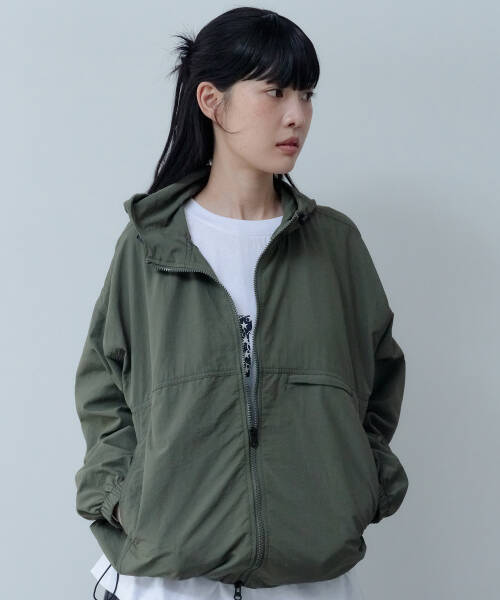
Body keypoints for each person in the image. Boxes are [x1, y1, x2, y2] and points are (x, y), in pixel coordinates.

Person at [74, 7, 409, 600]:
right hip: (165, 580)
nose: (297, 115)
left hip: (305, 578)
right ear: (212, 100)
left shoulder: (335, 245)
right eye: (275, 91)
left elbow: (378, 382)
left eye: (306, 94)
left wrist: (362, 485)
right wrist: (125, 498)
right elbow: (104, 387)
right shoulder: (151, 243)